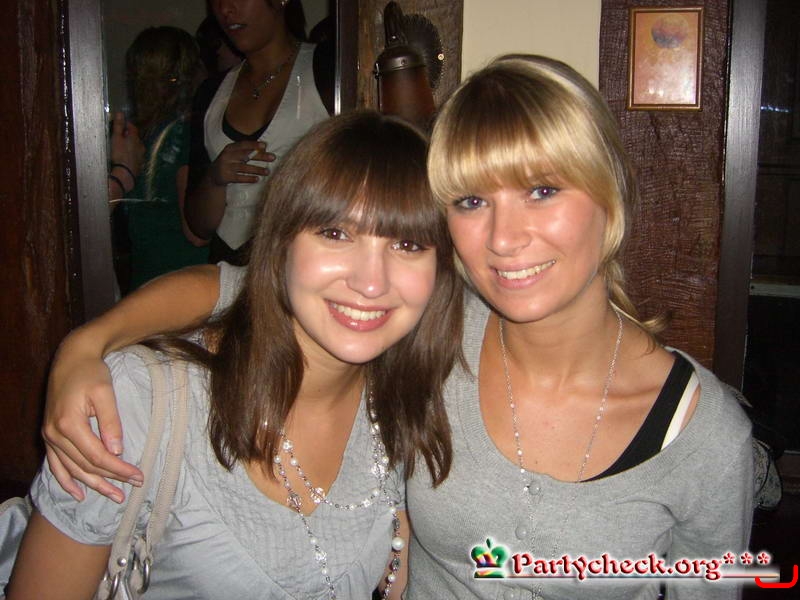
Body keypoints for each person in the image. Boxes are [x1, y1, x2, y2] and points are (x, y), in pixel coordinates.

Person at [40, 56, 753, 600]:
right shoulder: (434, 338)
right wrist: (89, 343)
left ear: (611, 195)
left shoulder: (708, 440)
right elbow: (249, 286)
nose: (505, 238)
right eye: (471, 201)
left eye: (542, 190)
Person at [7, 110, 463, 599]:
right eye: (335, 233)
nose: (370, 282)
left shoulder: (410, 403)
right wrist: (85, 345)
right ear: (281, 242)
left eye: (408, 244)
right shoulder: (138, 402)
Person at [187, 0, 333, 266]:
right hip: (227, 269)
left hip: (306, 265)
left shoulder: (329, 68)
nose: (225, 9)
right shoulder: (211, 92)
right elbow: (199, 226)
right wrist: (215, 178)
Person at [119, 26, 210, 292]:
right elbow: (195, 233)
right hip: (184, 283)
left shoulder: (136, 136)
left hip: (148, 281)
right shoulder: (184, 134)